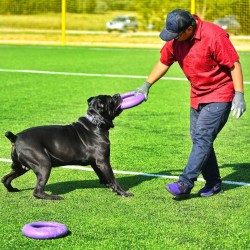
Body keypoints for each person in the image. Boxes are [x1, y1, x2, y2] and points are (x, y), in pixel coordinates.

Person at [134, 9, 246, 198]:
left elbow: (233, 64)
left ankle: (185, 183)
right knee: (200, 140)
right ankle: (213, 183)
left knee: (202, 137)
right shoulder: (175, 39)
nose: (174, 39)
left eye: (176, 35)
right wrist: (146, 85)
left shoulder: (214, 35)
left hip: (220, 93)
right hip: (197, 95)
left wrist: (239, 94)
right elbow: (164, 61)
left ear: (189, 29)